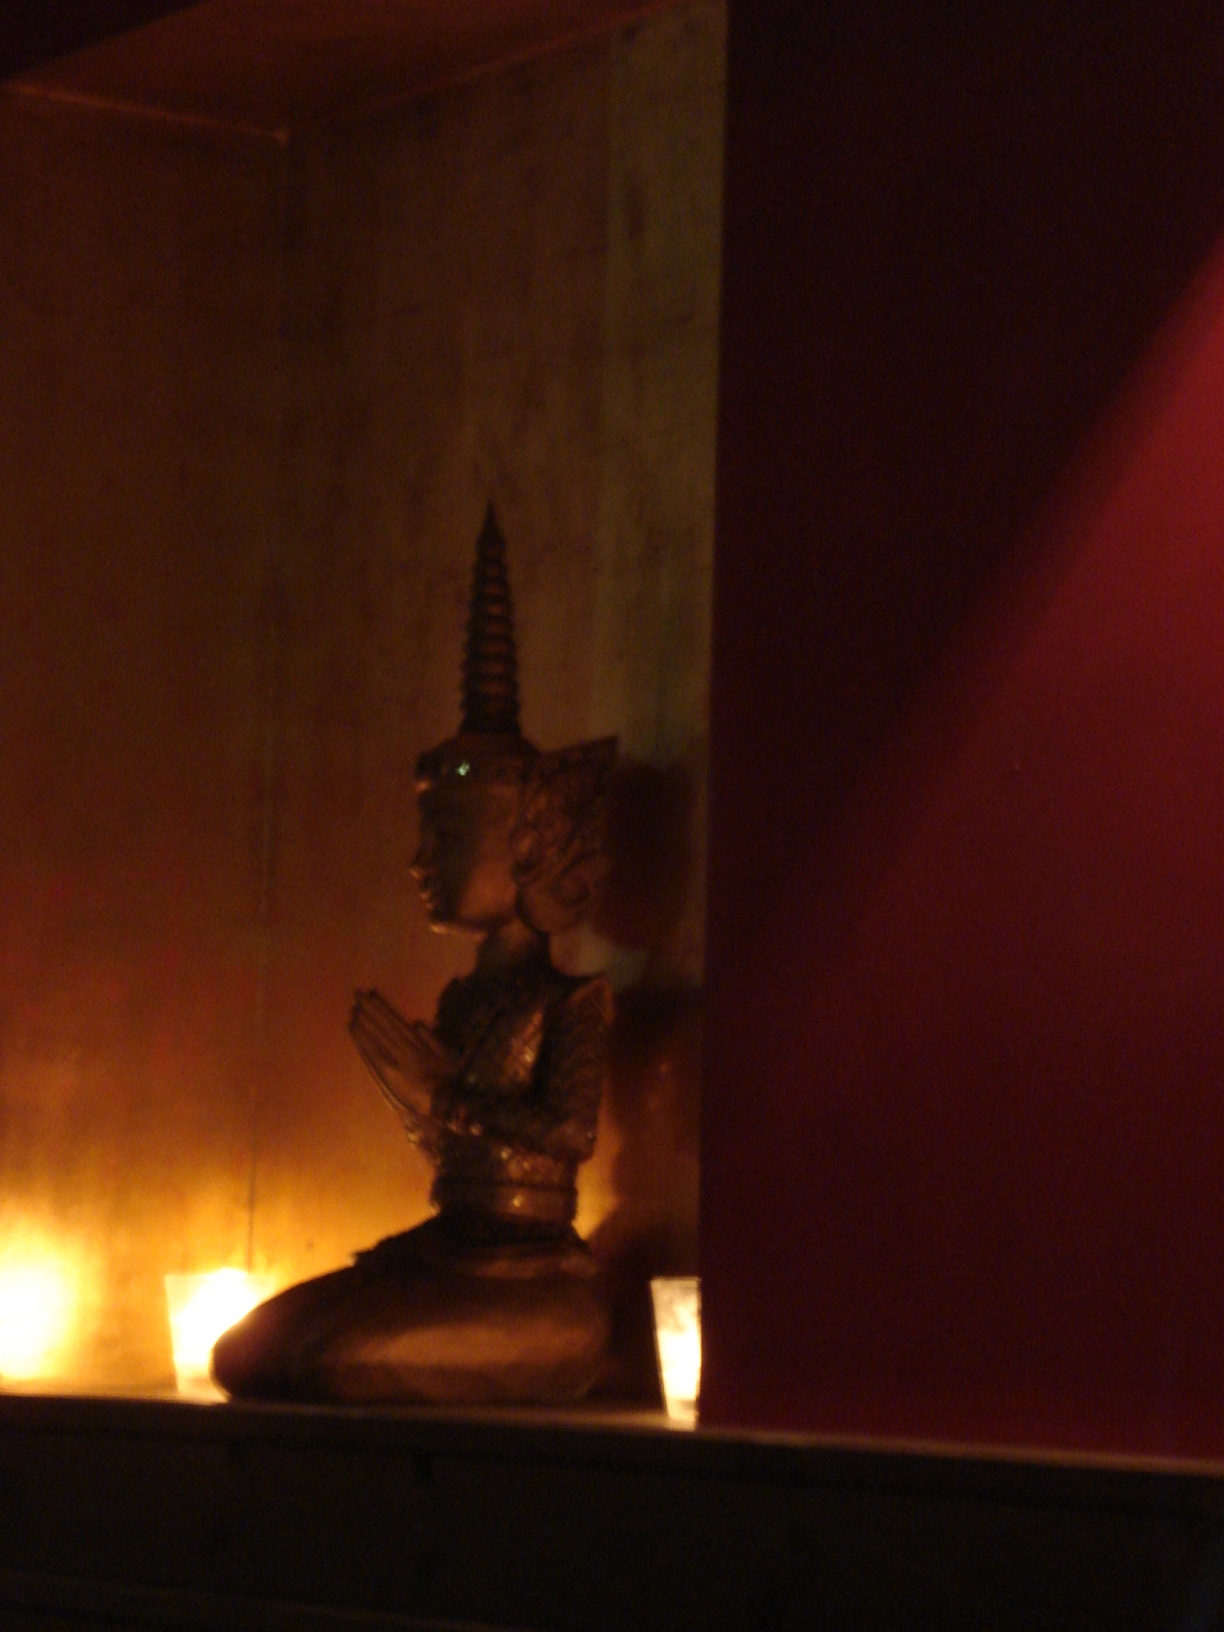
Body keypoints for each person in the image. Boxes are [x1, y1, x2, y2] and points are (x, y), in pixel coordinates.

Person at [211, 509, 616, 1403]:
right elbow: (448, 1146)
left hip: (536, 1279)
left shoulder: (571, 1001)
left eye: (446, 839)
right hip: (446, 1253)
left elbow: (569, 1133)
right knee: (249, 1351)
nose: (419, 862)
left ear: (529, 849)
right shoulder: (467, 999)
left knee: (331, 1359)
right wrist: (411, 1094)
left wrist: (447, 1097)